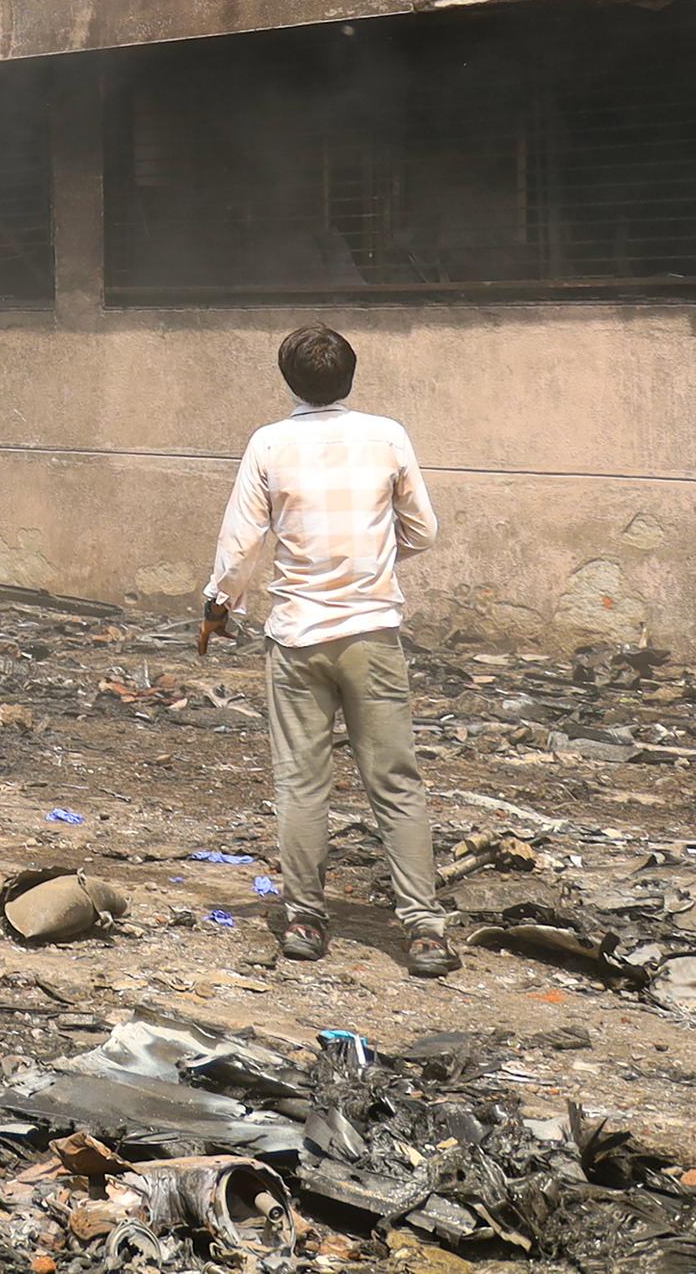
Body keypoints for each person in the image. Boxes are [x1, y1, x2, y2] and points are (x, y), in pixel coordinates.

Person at [200, 321, 455, 977]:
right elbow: (423, 530)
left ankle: (306, 921)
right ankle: (424, 933)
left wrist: (219, 606)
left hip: (297, 640)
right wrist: (372, 561)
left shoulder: (269, 444)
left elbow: (241, 545)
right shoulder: (388, 436)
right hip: (372, 637)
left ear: (290, 382)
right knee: (396, 784)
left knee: (302, 786)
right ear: (350, 376)